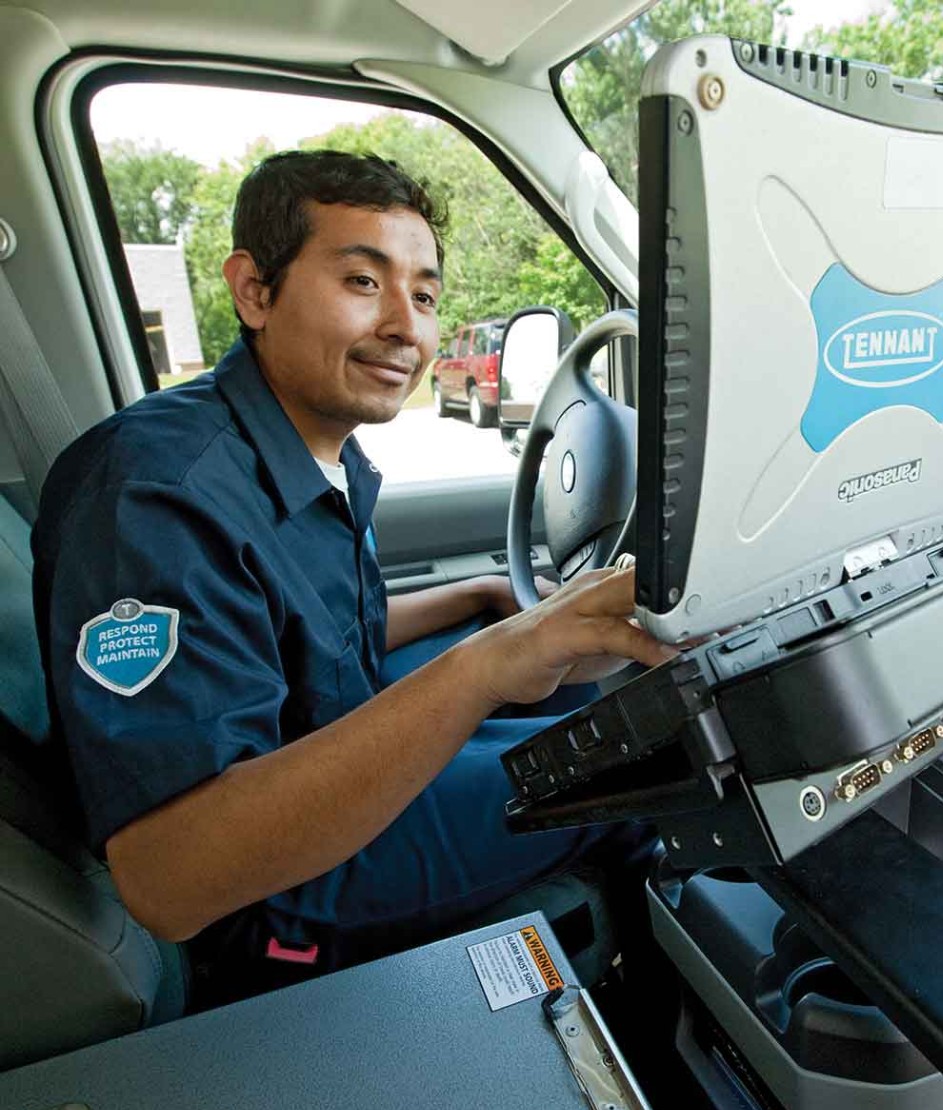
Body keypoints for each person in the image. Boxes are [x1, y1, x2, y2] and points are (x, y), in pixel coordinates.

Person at [32, 149, 671, 998]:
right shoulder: (153, 501)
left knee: (580, 699)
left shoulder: (310, 449)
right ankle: (669, 1050)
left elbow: (314, 637)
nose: (407, 326)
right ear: (255, 291)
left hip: (326, 745)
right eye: (364, 283)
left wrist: (489, 604)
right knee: (641, 768)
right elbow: (171, 878)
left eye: (426, 294)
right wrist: (483, 665)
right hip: (274, 894)